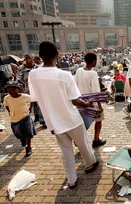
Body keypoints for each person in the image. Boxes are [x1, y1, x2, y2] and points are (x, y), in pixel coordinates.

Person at [28, 41, 99, 189]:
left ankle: (71, 180)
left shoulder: (33, 74)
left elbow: (34, 98)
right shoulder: (64, 75)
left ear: (40, 56)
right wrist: (88, 104)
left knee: (66, 151)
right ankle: (89, 164)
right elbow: (75, 100)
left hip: (53, 121)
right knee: (83, 144)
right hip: (71, 119)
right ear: (57, 55)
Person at [74, 52, 106, 148]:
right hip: (91, 102)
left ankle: (79, 139)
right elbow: (95, 91)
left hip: (80, 101)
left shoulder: (79, 70)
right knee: (98, 120)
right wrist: (100, 106)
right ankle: (96, 140)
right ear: (94, 61)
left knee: (82, 122)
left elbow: (74, 85)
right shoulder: (93, 73)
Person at [4, 81, 36, 157]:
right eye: (9, 91)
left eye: (13, 90)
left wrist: (30, 109)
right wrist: (9, 111)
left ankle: (28, 147)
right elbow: (6, 105)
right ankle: (22, 139)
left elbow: (32, 101)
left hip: (25, 117)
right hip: (14, 118)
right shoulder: (7, 98)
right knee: (17, 132)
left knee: (28, 132)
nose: (11, 92)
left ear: (18, 89)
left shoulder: (25, 96)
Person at [17, 54, 46, 127]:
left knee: (40, 104)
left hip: (37, 89)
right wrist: (21, 89)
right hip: (26, 90)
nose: (27, 59)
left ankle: (42, 120)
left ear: (33, 59)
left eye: (29, 58)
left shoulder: (38, 68)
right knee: (29, 105)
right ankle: (32, 119)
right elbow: (18, 79)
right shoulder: (21, 68)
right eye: (26, 58)